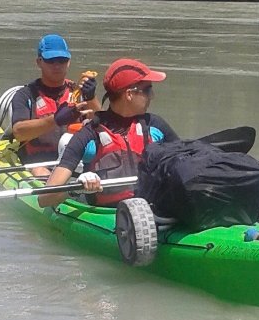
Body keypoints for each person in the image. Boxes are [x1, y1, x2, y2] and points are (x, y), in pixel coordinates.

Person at [39, 57, 179, 207]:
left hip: (152, 210)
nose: (152, 96)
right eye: (148, 90)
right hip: (108, 215)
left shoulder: (155, 125)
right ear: (129, 94)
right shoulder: (88, 135)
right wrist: (76, 189)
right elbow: (44, 199)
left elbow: (183, 163)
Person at [9, 34, 98, 176]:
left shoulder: (78, 92)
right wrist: (56, 120)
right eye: (51, 61)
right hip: (40, 162)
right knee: (40, 171)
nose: (57, 66)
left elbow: (103, 126)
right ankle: (52, 195)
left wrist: (92, 97)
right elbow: (19, 132)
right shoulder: (25, 95)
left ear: (68, 62)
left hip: (76, 161)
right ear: (39, 62)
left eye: (62, 60)